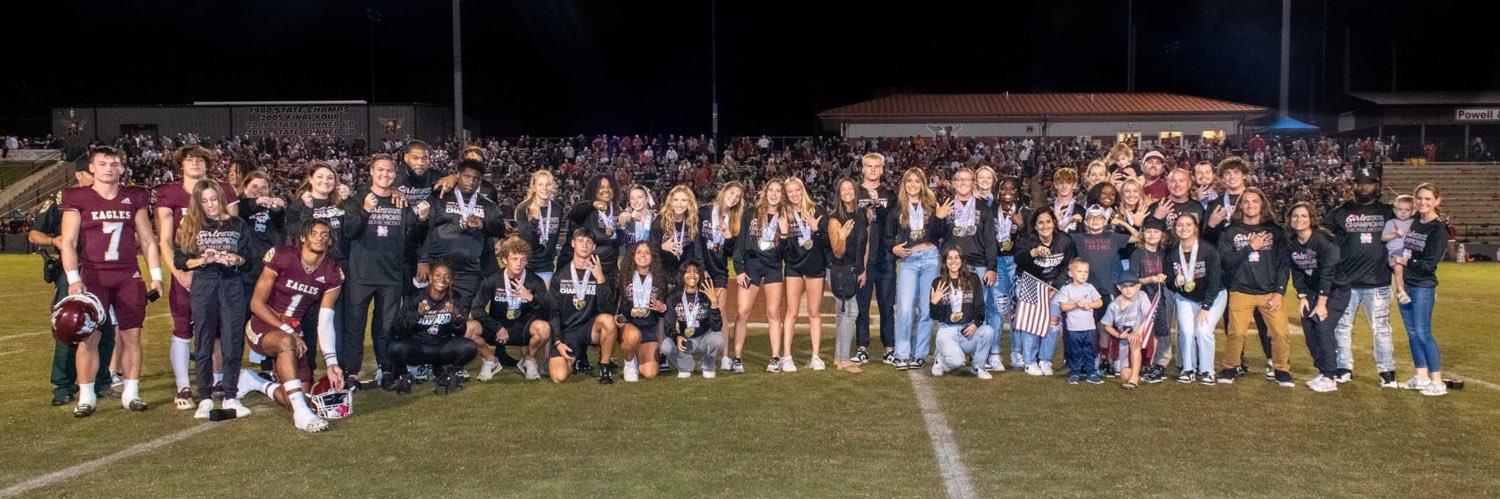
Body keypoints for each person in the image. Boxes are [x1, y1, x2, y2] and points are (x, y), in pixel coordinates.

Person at [57, 146, 164, 417]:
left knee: (132, 335)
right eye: (103, 163)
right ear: (92, 167)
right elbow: (68, 242)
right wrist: (73, 278)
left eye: (114, 163)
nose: (109, 168)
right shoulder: (78, 197)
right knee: (88, 338)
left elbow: (149, 240)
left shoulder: (134, 196)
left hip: (128, 274)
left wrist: (156, 276)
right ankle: (87, 395)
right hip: (94, 276)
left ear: (122, 168)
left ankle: (131, 393)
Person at [234, 219, 345, 433]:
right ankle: (302, 417)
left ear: (330, 241)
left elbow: (325, 319)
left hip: (295, 332)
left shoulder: (332, 272)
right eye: (314, 233)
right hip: (263, 325)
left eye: (324, 234)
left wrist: (332, 362)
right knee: (286, 342)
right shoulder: (283, 256)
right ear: (303, 237)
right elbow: (256, 304)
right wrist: (288, 331)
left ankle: (255, 382)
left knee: (299, 399)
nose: (319, 237)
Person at [154, 145, 239, 410]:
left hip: (218, 273)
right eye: (189, 159)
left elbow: (231, 232)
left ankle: (217, 381)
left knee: (217, 330)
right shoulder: (168, 193)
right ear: (181, 164)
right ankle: (183, 385)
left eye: (200, 159)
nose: (194, 163)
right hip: (187, 269)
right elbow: (165, 240)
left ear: (207, 164)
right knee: (182, 329)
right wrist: (179, 272)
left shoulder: (224, 189)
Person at [31, 158, 120, 406]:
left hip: (104, 271)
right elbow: (35, 233)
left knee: (104, 329)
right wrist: (54, 241)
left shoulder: (109, 195)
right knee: (68, 326)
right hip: (73, 272)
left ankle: (101, 381)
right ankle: (62, 384)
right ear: (81, 174)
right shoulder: (61, 199)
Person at [343, 154, 428, 388]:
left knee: (386, 327)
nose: (385, 174)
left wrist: (421, 220)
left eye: (390, 171)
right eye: (380, 170)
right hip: (360, 275)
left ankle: (386, 369)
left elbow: (414, 237)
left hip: (391, 276)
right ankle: (351, 373)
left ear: (395, 174)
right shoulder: (357, 199)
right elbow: (348, 232)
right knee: (354, 326)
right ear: (370, 171)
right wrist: (366, 211)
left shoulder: (400, 201)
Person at [173, 180, 255, 418]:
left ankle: (231, 394)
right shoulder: (190, 225)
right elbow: (180, 260)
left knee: (232, 341)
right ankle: (205, 397)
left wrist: (235, 259)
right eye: (204, 201)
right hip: (204, 284)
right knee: (204, 342)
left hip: (232, 284)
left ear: (221, 198)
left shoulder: (237, 224)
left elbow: (248, 258)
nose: (210, 205)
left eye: (213, 199)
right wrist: (203, 260)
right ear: (197, 203)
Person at [1322, 165, 1399, 387]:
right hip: (1346, 282)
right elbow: (1324, 236)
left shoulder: (1388, 212)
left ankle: (1387, 371)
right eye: (1360, 183)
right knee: (1342, 327)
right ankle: (1343, 367)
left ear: (1377, 185)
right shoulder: (1340, 211)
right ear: (1353, 185)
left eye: (1369, 183)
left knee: (1381, 328)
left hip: (1378, 282)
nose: (1364, 186)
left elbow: (1406, 230)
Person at [1216, 187, 1292, 387]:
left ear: (1262, 205)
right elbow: (1225, 261)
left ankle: (1281, 369)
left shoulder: (1275, 231)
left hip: (1269, 292)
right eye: (1246, 202)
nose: (1250, 205)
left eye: (1255, 201)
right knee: (1236, 333)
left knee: (1280, 333)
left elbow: (1284, 263)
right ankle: (1230, 366)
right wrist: (1250, 247)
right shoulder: (1231, 231)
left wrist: (1280, 292)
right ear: (1240, 205)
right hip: (1241, 290)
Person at [420, 160, 505, 312]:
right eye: (467, 176)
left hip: (469, 272)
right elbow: (424, 229)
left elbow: (500, 229)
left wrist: (482, 224)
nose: (471, 181)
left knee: (460, 315)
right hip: (437, 266)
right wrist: (423, 260)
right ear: (457, 175)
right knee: (431, 313)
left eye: (476, 178)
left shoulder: (487, 205)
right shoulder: (440, 197)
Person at [469, 236, 552, 381]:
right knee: (468, 328)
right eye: (514, 259)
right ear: (505, 259)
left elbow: (547, 311)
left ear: (526, 260)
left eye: (522, 259)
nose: (519, 264)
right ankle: (490, 360)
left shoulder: (534, 281)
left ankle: (528, 360)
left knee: (544, 329)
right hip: (498, 327)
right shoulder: (493, 279)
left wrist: (530, 298)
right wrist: (497, 328)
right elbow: (476, 309)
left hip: (523, 328)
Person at [388, 261, 477, 395]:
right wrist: (417, 314)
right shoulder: (415, 297)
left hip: (442, 347)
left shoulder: (456, 298)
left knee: (469, 347)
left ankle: (450, 374)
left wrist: (456, 316)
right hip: (419, 347)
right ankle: (404, 375)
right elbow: (397, 329)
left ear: (451, 281)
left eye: (447, 276)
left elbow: (460, 332)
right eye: (438, 275)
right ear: (430, 277)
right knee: (394, 346)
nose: (442, 279)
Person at [888, 168, 946, 371]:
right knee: (904, 308)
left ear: (923, 183)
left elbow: (940, 234)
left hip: (930, 258)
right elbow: (889, 236)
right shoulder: (897, 208)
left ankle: (920, 354)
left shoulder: (932, 205)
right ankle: (902, 354)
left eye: (917, 181)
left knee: (926, 309)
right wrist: (893, 248)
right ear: (904, 184)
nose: (913, 184)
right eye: (909, 181)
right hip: (908, 261)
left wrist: (938, 218)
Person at [1285, 202, 1346, 393]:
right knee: (1309, 330)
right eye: (1295, 216)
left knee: (1323, 327)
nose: (1299, 219)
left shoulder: (1323, 239)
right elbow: (1297, 271)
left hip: (1335, 290)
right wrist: (1302, 295)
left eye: (1304, 216)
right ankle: (1322, 371)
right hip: (1311, 292)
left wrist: (1321, 304)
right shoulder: (1293, 241)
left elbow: (1328, 273)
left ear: (1311, 218)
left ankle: (1330, 375)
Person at [1394, 183, 1448, 396]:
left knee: (1423, 332)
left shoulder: (1438, 229)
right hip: (1406, 285)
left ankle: (1438, 382)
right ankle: (1421, 377)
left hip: (1423, 286)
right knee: (1412, 333)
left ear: (1437, 201)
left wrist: (1405, 261)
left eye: (1428, 199)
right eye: (1420, 199)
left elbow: (1429, 264)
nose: (1423, 202)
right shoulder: (1415, 222)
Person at [733, 179, 791, 372]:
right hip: (751, 265)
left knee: (773, 313)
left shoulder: (785, 216)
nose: (774, 194)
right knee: (742, 312)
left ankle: (775, 357)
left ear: (782, 196)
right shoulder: (751, 213)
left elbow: (785, 253)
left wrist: (783, 235)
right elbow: (740, 243)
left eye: (778, 191)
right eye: (771, 190)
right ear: (765, 192)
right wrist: (739, 269)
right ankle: (737, 358)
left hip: (773, 266)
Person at [548, 229, 619, 384]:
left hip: (589, 329)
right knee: (559, 377)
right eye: (580, 241)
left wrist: (600, 279)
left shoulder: (599, 273)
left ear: (594, 247)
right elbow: (553, 312)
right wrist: (558, 342)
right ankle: (575, 358)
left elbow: (608, 310)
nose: (584, 246)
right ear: (573, 244)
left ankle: (605, 367)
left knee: (607, 320)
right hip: (566, 331)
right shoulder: (560, 276)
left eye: (589, 242)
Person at [1165, 213, 1225, 385]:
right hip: (1186, 297)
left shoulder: (1208, 250)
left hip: (1214, 295)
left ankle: (1207, 370)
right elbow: (1169, 282)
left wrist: (1206, 306)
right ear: (1175, 229)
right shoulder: (1172, 253)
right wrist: (1174, 282)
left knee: (1203, 330)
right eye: (1180, 225)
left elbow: (1215, 281)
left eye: (1188, 225)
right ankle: (1188, 368)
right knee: (1186, 331)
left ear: (1196, 228)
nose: (1184, 228)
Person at [236, 170, 285, 375]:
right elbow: (244, 208)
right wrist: (257, 202)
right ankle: (233, 369)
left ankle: (269, 368)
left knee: (270, 320)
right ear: (245, 188)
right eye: (254, 187)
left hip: (270, 271)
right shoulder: (239, 208)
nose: (259, 191)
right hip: (246, 273)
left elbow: (282, 218)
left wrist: (277, 206)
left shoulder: (274, 208)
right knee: (239, 321)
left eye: (263, 187)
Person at [1015, 209, 1075, 376]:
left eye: (1048, 221)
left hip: (1055, 284)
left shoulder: (1064, 240)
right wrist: (1033, 253)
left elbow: (1067, 267)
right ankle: (1029, 361)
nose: (1045, 226)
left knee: (1053, 323)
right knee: (1032, 324)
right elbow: (1019, 259)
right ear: (1035, 225)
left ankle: (1045, 359)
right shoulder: (1026, 240)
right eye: (1040, 222)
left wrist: (1055, 287)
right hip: (1031, 283)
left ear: (1054, 223)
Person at [781, 177, 829, 370]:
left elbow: (827, 243)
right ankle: (787, 356)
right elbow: (782, 249)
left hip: (815, 266)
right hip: (793, 266)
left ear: (803, 190)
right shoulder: (784, 214)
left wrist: (816, 230)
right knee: (791, 312)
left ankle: (816, 356)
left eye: (797, 190)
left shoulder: (817, 210)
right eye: (790, 191)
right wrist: (784, 234)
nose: (794, 194)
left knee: (814, 312)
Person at [855, 153, 897, 365]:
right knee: (861, 306)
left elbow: (893, 220)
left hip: (885, 258)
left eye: (876, 166)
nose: (872, 170)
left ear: (882, 170)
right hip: (862, 260)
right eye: (868, 166)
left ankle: (889, 347)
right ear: (862, 169)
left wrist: (877, 206)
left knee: (887, 306)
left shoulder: (889, 194)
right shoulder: (854, 192)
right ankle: (862, 347)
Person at [928, 247, 995, 379]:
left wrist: (976, 324)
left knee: (988, 331)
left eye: (956, 257)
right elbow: (935, 316)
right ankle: (941, 359)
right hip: (947, 331)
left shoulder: (974, 279)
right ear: (945, 262)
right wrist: (934, 303)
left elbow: (980, 308)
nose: (953, 261)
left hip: (967, 330)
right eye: (949, 258)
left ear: (962, 260)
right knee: (957, 362)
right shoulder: (938, 282)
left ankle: (977, 367)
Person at [699, 182, 743, 371]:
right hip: (700, 270)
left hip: (719, 271)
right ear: (724, 191)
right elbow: (695, 239)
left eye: (737, 196)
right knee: (700, 312)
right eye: (731, 193)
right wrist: (701, 268)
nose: (733, 197)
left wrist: (729, 237)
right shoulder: (704, 211)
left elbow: (733, 251)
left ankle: (725, 356)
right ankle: (703, 353)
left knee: (720, 311)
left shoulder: (734, 219)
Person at [827, 178, 867, 374]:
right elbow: (838, 252)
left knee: (843, 314)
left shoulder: (860, 216)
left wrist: (863, 269)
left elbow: (863, 246)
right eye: (843, 189)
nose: (847, 191)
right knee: (850, 312)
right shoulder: (834, 218)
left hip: (853, 269)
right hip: (839, 269)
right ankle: (843, 359)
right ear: (838, 194)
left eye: (850, 188)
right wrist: (841, 237)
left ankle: (838, 357)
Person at [615, 242, 669, 382]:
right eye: (639, 252)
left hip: (649, 329)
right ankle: (629, 364)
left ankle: (637, 354)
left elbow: (665, 310)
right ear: (633, 256)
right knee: (633, 335)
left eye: (647, 252)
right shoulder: (624, 277)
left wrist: (662, 308)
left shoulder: (659, 279)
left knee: (650, 373)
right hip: (628, 327)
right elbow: (614, 304)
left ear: (653, 257)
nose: (643, 256)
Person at [1129, 218, 1174, 383]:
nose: (1152, 234)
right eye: (1148, 231)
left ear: (1162, 235)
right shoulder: (1137, 253)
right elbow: (1133, 279)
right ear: (1143, 234)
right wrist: (1151, 279)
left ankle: (1153, 363)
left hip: (1161, 297)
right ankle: (1139, 362)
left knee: (1159, 332)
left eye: (1156, 231)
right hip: (1143, 296)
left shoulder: (1165, 253)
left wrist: (1164, 278)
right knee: (1141, 330)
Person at [664, 263, 724, 378]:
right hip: (686, 341)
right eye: (688, 271)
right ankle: (686, 366)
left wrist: (715, 304)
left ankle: (707, 365)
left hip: (704, 339)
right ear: (682, 275)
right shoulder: (673, 297)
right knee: (666, 345)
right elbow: (668, 324)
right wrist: (676, 336)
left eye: (696, 271)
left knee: (718, 339)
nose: (692, 275)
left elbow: (716, 327)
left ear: (700, 275)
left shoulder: (706, 295)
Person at [1100, 272, 1153, 389]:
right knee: (1124, 375)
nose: (1128, 289)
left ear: (1138, 286)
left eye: (1131, 286)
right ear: (1119, 287)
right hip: (1123, 339)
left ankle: (1135, 378)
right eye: (1124, 286)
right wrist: (1119, 335)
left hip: (1140, 334)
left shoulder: (1142, 296)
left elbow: (1149, 317)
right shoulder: (1114, 305)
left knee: (1134, 341)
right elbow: (1106, 326)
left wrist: (1138, 333)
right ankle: (1136, 374)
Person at [1055, 259, 1104, 384]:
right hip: (1073, 328)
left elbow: (1100, 302)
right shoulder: (1066, 289)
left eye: (1086, 272)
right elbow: (1063, 307)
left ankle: (1091, 372)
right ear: (1071, 274)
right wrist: (1076, 305)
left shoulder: (1089, 287)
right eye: (1080, 271)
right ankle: (1075, 372)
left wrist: (1090, 305)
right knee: (1075, 351)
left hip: (1089, 327)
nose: (1083, 274)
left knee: (1089, 350)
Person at [513, 171, 565, 285]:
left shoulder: (557, 209)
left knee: (544, 301)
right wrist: (535, 219)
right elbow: (525, 239)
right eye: (540, 184)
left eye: (548, 184)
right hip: (525, 265)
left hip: (546, 266)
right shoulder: (523, 208)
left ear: (552, 187)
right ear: (534, 187)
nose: (545, 188)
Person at [652, 185, 701, 285]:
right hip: (662, 273)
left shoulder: (692, 222)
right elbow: (650, 249)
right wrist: (662, 247)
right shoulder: (659, 222)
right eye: (676, 200)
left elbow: (694, 251)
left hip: (683, 274)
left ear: (689, 203)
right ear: (670, 202)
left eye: (684, 200)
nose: (679, 204)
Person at [1381, 195, 1417, 305]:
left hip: (1410, 251)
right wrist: (1396, 234)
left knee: (1416, 269)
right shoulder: (1391, 223)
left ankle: (1420, 291)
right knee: (1398, 269)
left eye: (1407, 210)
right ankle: (1401, 292)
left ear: (1413, 211)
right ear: (1394, 210)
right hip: (1395, 251)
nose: (1403, 212)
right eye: (1400, 209)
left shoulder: (1414, 223)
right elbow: (1383, 237)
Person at [1050, 167, 1085, 234]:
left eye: (1068, 183)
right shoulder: (1049, 210)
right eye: (1060, 183)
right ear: (1055, 185)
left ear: (1074, 185)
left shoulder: (1081, 211)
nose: (1064, 186)